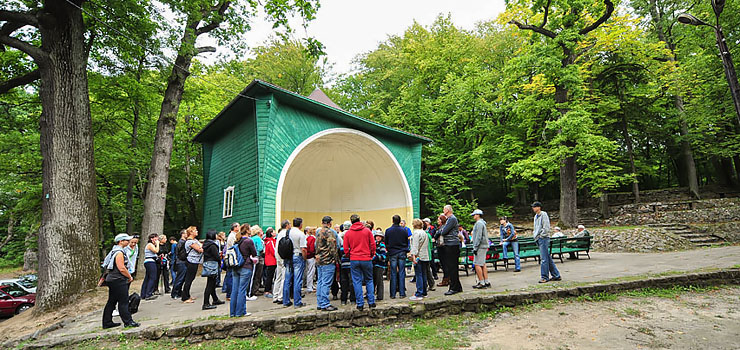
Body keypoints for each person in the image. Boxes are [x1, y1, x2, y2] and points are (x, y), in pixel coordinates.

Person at [101, 233, 139, 329]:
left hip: (112, 279)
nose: (128, 242)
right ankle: (128, 321)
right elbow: (121, 267)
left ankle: (107, 322)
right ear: (121, 241)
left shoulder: (114, 250)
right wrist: (129, 276)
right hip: (118, 280)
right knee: (124, 301)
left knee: (112, 301)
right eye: (127, 240)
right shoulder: (119, 252)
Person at [343, 214, 376, 311]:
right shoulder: (367, 231)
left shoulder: (348, 233)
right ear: (359, 220)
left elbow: (345, 248)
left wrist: (350, 255)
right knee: (369, 280)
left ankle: (360, 303)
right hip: (366, 258)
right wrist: (371, 254)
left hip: (354, 258)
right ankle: (371, 302)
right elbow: (373, 244)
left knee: (356, 281)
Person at [230, 223, 258, 317]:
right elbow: (254, 253)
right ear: (247, 230)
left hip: (236, 267)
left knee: (235, 290)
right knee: (242, 291)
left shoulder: (237, 241)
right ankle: (240, 312)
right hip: (246, 267)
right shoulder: (248, 241)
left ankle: (232, 312)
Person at [532, 202, 561, 283]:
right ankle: (556, 275)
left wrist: (542, 235)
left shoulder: (543, 215)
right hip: (538, 238)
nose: (533, 208)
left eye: (535, 207)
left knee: (544, 259)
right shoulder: (535, 217)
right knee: (547, 257)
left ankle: (544, 276)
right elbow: (536, 227)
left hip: (543, 238)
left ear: (539, 207)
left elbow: (546, 227)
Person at [315, 216, 339, 311]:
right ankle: (325, 303)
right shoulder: (330, 232)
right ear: (329, 223)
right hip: (328, 260)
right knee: (326, 283)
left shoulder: (318, 232)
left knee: (320, 282)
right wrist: (335, 258)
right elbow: (332, 248)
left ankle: (320, 302)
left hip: (319, 259)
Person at [283, 217, 308, 308]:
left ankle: (285, 300)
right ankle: (297, 302)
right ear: (300, 224)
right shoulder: (300, 234)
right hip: (298, 255)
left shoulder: (287, 232)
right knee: (297, 279)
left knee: (287, 279)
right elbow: (303, 248)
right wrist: (305, 258)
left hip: (288, 256)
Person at [439, 205, 462, 295]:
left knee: (452, 267)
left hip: (452, 245)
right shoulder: (450, 219)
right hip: (450, 244)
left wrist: (442, 230)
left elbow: (443, 231)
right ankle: (458, 286)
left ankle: (454, 288)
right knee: (452, 267)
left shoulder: (451, 219)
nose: (443, 210)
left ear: (448, 210)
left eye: (444, 209)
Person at [385, 215, 408, 299]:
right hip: (402, 251)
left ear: (392, 221)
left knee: (393, 273)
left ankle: (393, 293)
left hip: (393, 252)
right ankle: (402, 293)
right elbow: (406, 241)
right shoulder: (404, 230)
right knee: (402, 272)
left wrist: (389, 250)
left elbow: (386, 242)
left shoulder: (388, 231)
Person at [201, 230, 225, 310]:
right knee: (210, 284)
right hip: (212, 264)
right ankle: (206, 303)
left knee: (212, 283)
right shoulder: (212, 245)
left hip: (208, 263)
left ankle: (215, 299)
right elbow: (216, 256)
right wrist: (220, 260)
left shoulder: (206, 244)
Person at [409, 219, 430, 301]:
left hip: (418, 256)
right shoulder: (424, 233)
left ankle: (419, 293)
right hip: (425, 256)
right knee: (424, 274)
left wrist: (413, 257)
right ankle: (424, 291)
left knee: (419, 275)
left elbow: (415, 246)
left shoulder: (416, 233)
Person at [182, 226, 203, 303]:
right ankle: (185, 297)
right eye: (195, 230)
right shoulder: (190, 241)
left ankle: (187, 295)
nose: (197, 231)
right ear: (191, 232)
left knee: (191, 278)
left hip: (195, 261)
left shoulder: (195, 240)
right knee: (189, 279)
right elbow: (200, 249)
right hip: (191, 261)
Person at [470, 209, 490, 289]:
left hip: (480, 247)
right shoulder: (483, 223)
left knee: (477, 264)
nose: (473, 216)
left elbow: (478, 236)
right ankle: (486, 281)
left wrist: (475, 247)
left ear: (478, 215)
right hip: (483, 246)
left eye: (474, 215)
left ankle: (481, 282)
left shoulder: (478, 224)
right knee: (483, 264)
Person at [272, 220, 290, 304]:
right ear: (287, 225)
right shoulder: (286, 233)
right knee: (284, 277)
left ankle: (275, 295)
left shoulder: (279, 234)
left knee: (278, 277)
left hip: (277, 256)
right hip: (283, 257)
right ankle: (280, 296)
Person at [338, 221, 355, 305]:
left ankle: (343, 299)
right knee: (352, 282)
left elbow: (340, 252)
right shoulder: (352, 237)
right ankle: (352, 299)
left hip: (343, 264)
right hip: (351, 263)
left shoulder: (341, 238)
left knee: (344, 282)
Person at [140, 233, 160, 300]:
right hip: (150, 262)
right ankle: (148, 294)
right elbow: (156, 251)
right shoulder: (150, 244)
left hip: (151, 261)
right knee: (153, 277)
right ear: (151, 239)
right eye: (155, 238)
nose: (157, 240)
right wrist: (157, 244)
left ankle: (143, 294)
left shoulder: (152, 245)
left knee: (147, 278)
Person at [222, 222, 240, 297]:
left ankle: (228, 291)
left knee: (230, 275)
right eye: (238, 226)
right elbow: (234, 247)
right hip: (231, 258)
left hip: (230, 257)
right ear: (235, 228)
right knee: (230, 276)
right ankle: (229, 294)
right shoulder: (232, 236)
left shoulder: (232, 235)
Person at [248, 225, 265, 300]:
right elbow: (260, 248)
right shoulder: (258, 238)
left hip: (252, 257)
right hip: (258, 257)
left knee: (253, 275)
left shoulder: (251, 238)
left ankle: (252, 289)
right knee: (258, 275)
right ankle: (255, 290)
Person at [170, 230, 188, 299]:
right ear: (183, 234)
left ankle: (179, 291)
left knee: (182, 278)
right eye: (186, 233)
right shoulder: (181, 242)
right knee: (180, 278)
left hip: (182, 261)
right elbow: (179, 252)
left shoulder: (183, 242)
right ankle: (175, 293)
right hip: (181, 261)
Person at [371, 226, 386, 301]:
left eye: (379, 237)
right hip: (374, 265)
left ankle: (380, 296)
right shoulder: (374, 244)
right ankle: (371, 294)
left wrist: (375, 257)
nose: (378, 238)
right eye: (377, 236)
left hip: (380, 265)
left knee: (379, 280)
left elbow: (383, 256)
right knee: (373, 280)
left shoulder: (382, 245)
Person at [263, 227, 277, 298]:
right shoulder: (270, 241)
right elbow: (273, 251)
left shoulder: (268, 241)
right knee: (270, 276)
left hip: (269, 261)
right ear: (271, 233)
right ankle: (267, 290)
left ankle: (268, 290)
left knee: (270, 276)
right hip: (271, 261)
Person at [435, 215, 448, 286]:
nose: (437, 221)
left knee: (444, 264)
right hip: (442, 246)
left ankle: (446, 279)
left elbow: (437, 234)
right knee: (444, 264)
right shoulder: (442, 227)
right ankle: (447, 279)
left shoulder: (443, 228)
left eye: (438, 220)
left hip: (442, 247)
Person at [304, 226, 317, 293]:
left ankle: (311, 285)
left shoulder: (308, 238)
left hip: (308, 256)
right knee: (311, 272)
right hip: (311, 257)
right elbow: (312, 249)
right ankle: (309, 286)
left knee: (310, 271)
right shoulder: (312, 238)